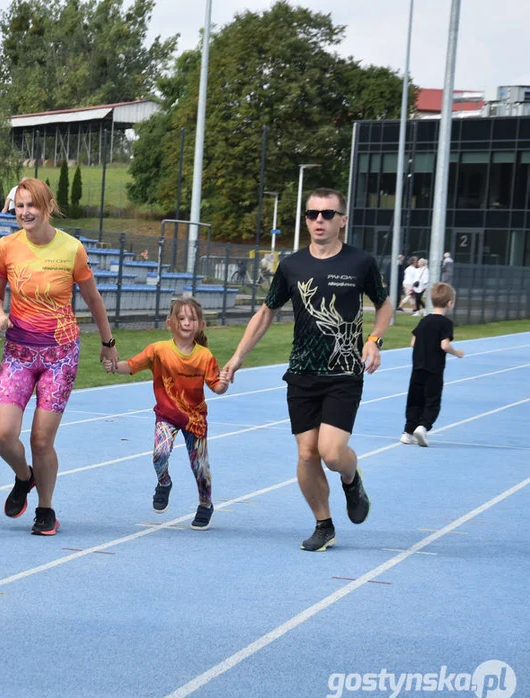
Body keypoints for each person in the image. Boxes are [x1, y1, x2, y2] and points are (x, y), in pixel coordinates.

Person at [221, 188, 393, 552]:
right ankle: (323, 524)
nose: (319, 220)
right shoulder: (292, 265)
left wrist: (374, 340)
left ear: (342, 220)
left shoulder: (360, 263)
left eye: (328, 214)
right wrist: (238, 357)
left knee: (331, 453)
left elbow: (384, 305)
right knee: (306, 454)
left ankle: (351, 477)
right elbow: (266, 312)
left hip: (344, 371)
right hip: (301, 372)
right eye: (313, 213)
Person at [0, 177, 119, 536]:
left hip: (60, 356)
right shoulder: (6, 247)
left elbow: (93, 299)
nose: (25, 212)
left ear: (47, 206)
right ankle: (24, 476)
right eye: (19, 206)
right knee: (3, 435)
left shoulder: (72, 249)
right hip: (17, 352)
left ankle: (45, 509)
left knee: (41, 441)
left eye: (32, 205)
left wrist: (108, 341)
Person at [104, 297, 228, 529]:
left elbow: (217, 387)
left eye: (192, 319)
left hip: (195, 420)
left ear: (200, 325)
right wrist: (114, 366)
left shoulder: (205, 356)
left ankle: (205, 503)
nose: (186, 323)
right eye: (181, 318)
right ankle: (164, 483)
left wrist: (225, 381)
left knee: (200, 466)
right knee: (160, 454)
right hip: (167, 416)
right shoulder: (158, 351)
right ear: (170, 323)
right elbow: (132, 365)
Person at [400, 282, 463, 448]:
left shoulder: (424, 320)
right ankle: (423, 427)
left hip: (418, 367)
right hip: (434, 369)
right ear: (450, 303)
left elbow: (413, 343)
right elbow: (444, 345)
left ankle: (407, 432)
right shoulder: (446, 324)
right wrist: (457, 353)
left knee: (414, 399)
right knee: (432, 401)